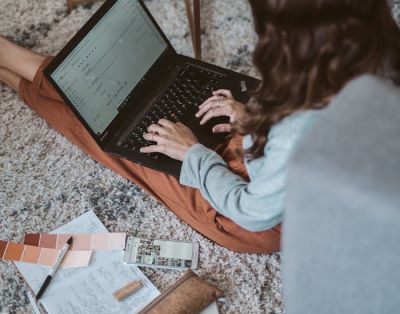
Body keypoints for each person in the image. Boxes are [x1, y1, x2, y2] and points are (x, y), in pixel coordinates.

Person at [1, 0, 399, 254]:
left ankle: (11, 64)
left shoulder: (304, 122)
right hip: (292, 173)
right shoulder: (379, 54)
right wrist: (253, 120)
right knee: (123, 112)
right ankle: (13, 67)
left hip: (260, 216)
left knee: (108, 134)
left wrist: (193, 154)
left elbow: (252, 211)